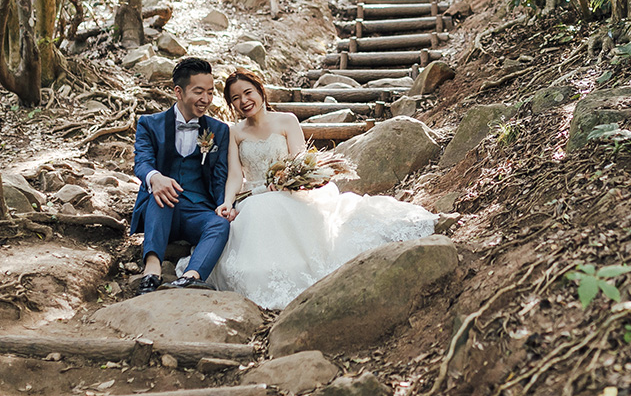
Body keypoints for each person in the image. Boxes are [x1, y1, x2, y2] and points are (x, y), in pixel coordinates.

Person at [201, 67, 436, 309]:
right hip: (254, 196)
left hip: (290, 191)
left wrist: (284, 181)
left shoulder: (286, 120)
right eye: (236, 99)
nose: (244, 101)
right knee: (256, 214)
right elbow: (235, 176)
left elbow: (300, 163)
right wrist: (228, 203)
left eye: (247, 93)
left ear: (260, 91)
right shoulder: (235, 132)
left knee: (281, 210)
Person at [129, 57, 235, 296]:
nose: (206, 99)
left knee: (220, 224)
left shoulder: (218, 130)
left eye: (210, 92)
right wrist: (155, 177)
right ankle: (152, 269)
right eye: (199, 92)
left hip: (197, 210)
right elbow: (142, 162)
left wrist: (223, 206)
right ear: (178, 91)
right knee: (161, 195)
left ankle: (190, 277)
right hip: (161, 208)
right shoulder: (149, 124)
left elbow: (219, 175)